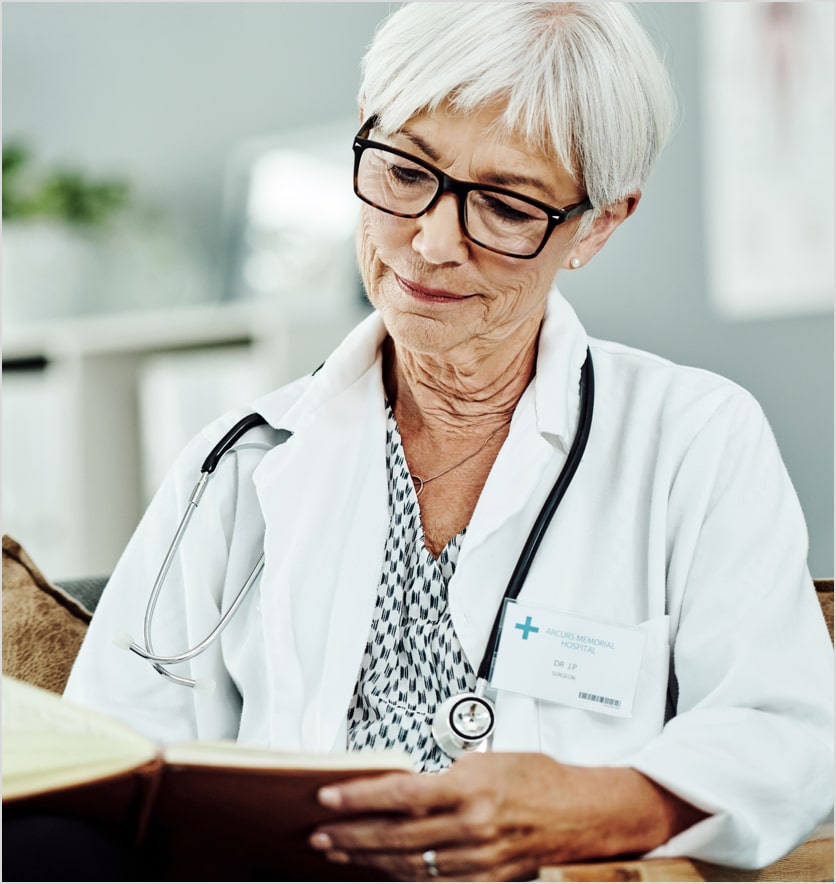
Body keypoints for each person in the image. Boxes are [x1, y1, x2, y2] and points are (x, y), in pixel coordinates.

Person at [64, 2, 833, 880]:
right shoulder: (240, 460)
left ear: (599, 224)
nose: (431, 243)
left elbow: (787, 735)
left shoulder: (692, 437)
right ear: (365, 131)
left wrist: (585, 807)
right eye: (404, 172)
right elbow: (105, 756)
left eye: (505, 208)